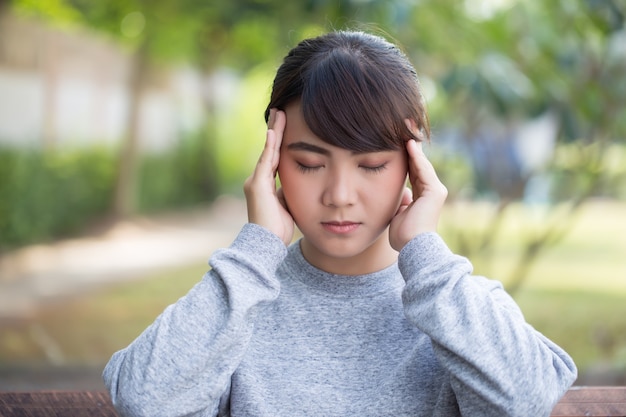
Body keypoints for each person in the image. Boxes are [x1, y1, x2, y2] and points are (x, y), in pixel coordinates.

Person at [103, 30, 577, 417]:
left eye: (371, 165)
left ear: (413, 166)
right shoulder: (235, 304)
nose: (339, 195)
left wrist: (426, 254)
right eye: (309, 163)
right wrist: (256, 250)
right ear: (272, 161)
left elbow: (526, 399)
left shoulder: (456, 305)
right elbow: (145, 400)